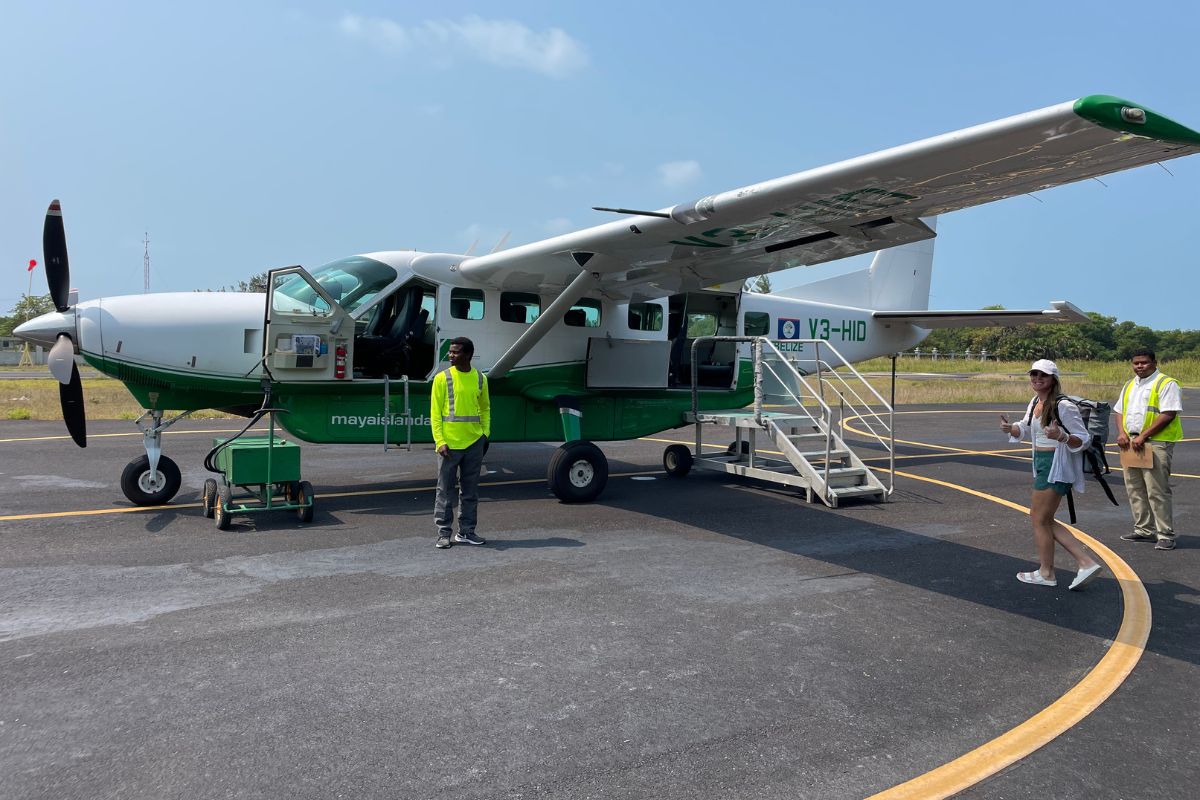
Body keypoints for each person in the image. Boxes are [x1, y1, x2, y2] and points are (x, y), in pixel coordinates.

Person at [999, 359, 1104, 590]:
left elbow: (1083, 438)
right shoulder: (1036, 400)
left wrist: (1062, 437)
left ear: (1053, 379)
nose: (1037, 379)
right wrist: (1011, 429)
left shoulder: (1063, 405)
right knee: (1042, 518)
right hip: (1043, 463)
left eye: (1043, 375)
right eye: (1034, 374)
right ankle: (1080, 563)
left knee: (1039, 518)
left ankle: (1049, 572)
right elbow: (1025, 427)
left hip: (1055, 465)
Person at [1114, 348, 1183, 551]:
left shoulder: (1165, 383)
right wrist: (1121, 433)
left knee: (1156, 489)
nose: (1139, 366)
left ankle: (1165, 534)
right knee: (1134, 488)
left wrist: (1144, 435)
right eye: (1136, 363)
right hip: (1131, 442)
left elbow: (1168, 413)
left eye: (1144, 362)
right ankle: (1144, 529)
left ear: (1154, 362)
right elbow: (1119, 410)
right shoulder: (1130, 384)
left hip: (1156, 442)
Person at [430, 337, 490, 549]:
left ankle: (466, 532)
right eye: (450, 352)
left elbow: (484, 408)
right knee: (445, 491)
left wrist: (485, 434)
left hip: (474, 443)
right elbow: (435, 413)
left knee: (470, 491)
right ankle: (443, 533)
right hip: (449, 446)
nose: (450, 355)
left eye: (455, 352)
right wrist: (440, 441)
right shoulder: (442, 378)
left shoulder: (481, 379)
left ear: (468, 355)